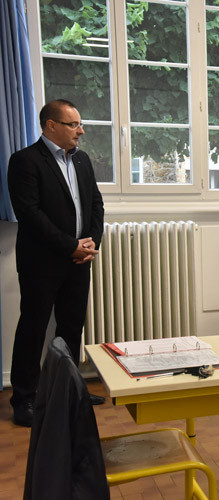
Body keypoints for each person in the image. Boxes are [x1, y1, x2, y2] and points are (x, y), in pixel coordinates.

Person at [7, 99, 104, 427]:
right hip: (42, 263)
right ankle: (24, 398)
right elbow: (30, 215)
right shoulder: (25, 162)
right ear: (51, 125)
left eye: (80, 123)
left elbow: (95, 204)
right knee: (33, 329)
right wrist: (70, 247)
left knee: (71, 327)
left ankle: (69, 391)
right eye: (73, 124)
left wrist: (91, 243)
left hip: (79, 261)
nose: (81, 130)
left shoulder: (83, 161)